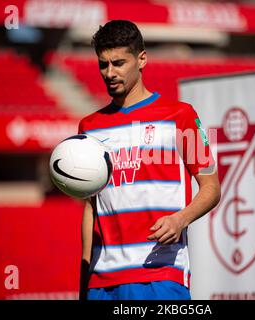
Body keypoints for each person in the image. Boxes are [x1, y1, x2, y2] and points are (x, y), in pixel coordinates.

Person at [78, 20, 220, 300]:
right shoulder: (89, 127)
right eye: (103, 65)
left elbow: (212, 187)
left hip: (162, 274)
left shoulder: (180, 115)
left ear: (142, 59)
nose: (109, 73)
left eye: (118, 63)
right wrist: (85, 279)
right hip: (102, 281)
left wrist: (180, 220)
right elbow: (90, 209)